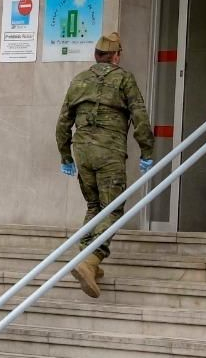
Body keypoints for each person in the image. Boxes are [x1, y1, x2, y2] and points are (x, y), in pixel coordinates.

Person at [54, 32, 155, 298]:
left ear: (96, 56)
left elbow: (63, 123)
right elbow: (140, 115)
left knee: (94, 207)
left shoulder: (79, 80)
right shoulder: (123, 78)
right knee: (112, 208)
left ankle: (85, 260)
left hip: (83, 152)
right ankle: (92, 259)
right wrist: (147, 149)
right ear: (116, 56)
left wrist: (66, 156)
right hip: (109, 152)